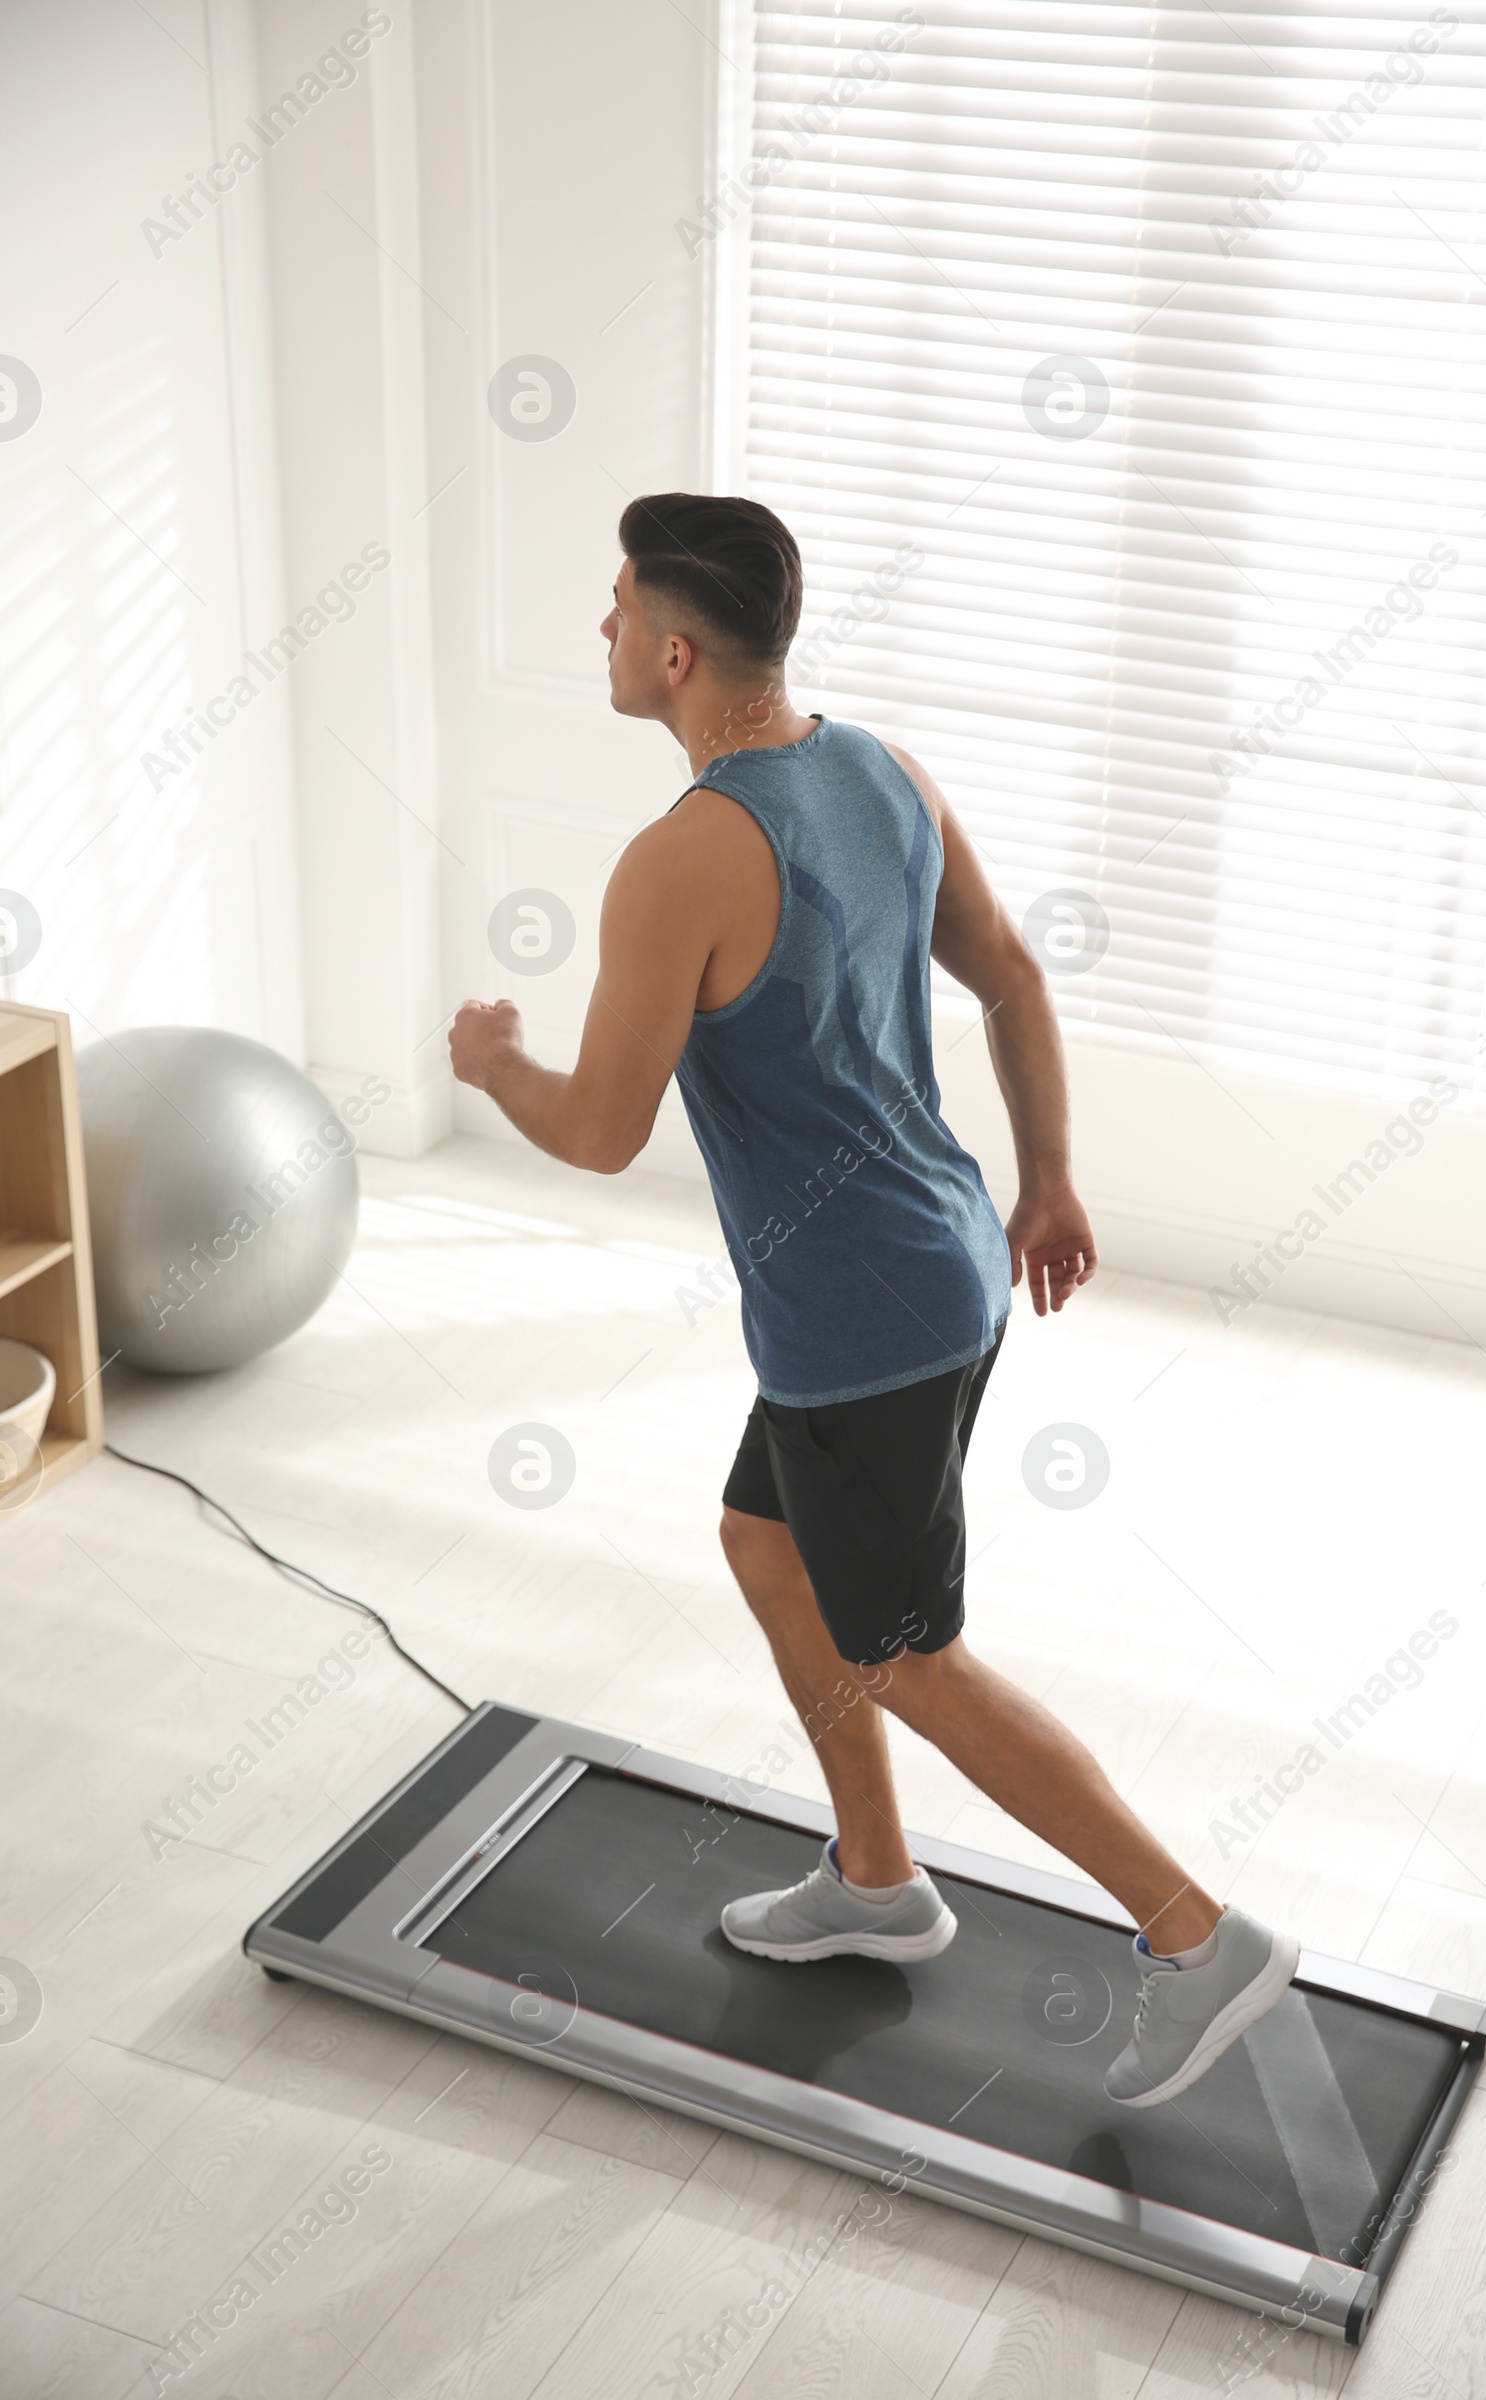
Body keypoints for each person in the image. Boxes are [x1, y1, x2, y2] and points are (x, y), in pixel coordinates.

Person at [448, 492, 1299, 2108]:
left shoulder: (679, 860)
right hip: (945, 1259)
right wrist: (1047, 1181)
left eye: (616, 602)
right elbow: (1015, 980)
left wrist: (494, 1068)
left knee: (909, 1650)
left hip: (862, 1323)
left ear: (676, 649)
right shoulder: (877, 768)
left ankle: (1200, 1938)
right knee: (767, 1544)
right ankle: (879, 1880)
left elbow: (601, 1129)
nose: (603, 628)